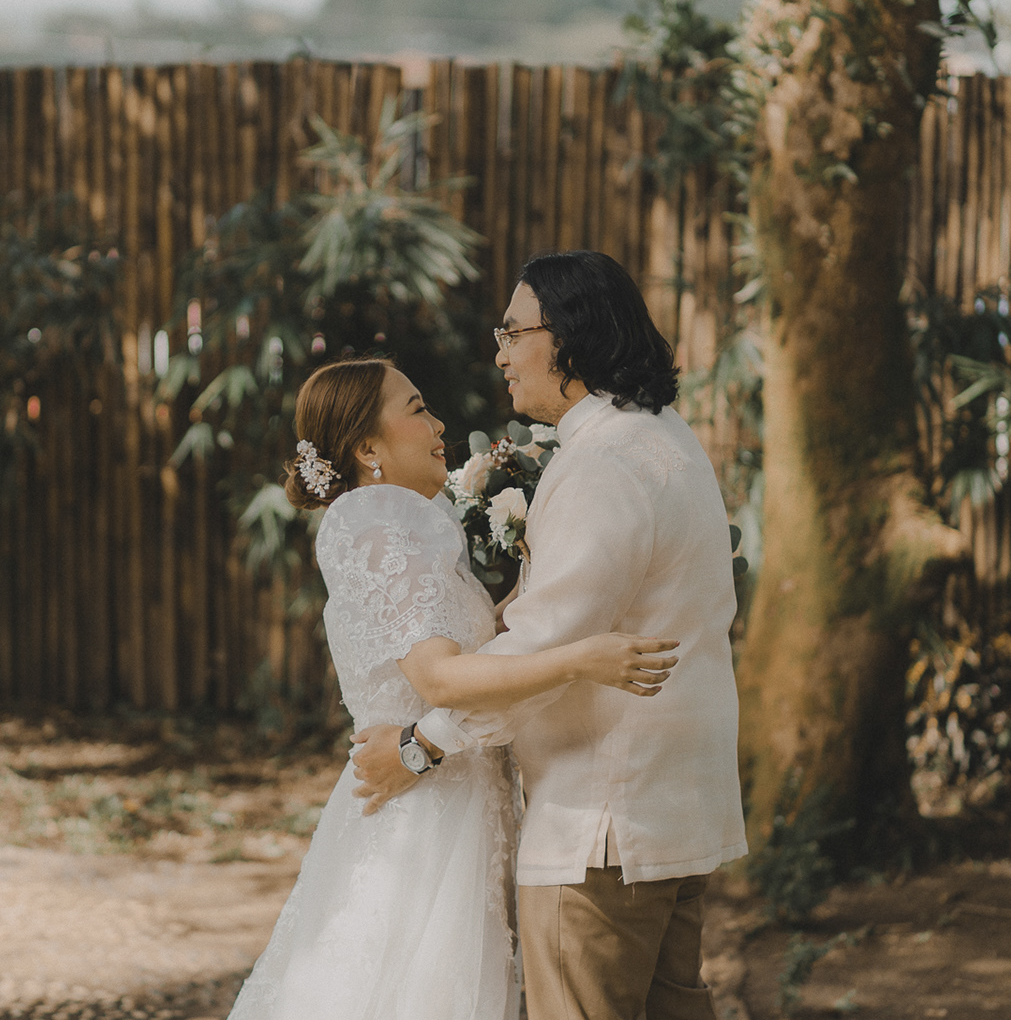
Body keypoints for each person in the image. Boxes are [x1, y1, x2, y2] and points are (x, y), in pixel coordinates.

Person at [351, 250, 748, 1020]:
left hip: (602, 822)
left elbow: (546, 653)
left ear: (569, 336)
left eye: (513, 332)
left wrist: (419, 746)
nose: (500, 354)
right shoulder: (666, 437)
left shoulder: (603, 465)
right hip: (673, 807)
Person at [227, 355, 681, 1020]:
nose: (440, 425)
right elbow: (439, 678)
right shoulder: (378, 521)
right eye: (417, 409)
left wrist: (533, 592)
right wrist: (580, 659)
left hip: (453, 798)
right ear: (368, 449)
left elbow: (455, 648)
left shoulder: (399, 521)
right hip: (423, 818)